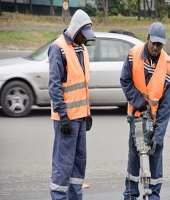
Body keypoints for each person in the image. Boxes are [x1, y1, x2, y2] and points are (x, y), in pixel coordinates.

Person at [120, 22, 170, 200]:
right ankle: (130, 196)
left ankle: (152, 197)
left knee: (155, 168)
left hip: (156, 124)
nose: (156, 48)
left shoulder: (167, 67)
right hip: (137, 121)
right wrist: (139, 103)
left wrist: (158, 137)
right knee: (134, 164)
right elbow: (125, 81)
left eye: (160, 45)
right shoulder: (133, 55)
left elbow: (165, 107)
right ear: (148, 38)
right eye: (154, 43)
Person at [48, 9, 94, 200]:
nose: (87, 39)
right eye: (85, 35)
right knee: (63, 165)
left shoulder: (82, 48)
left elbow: (82, 85)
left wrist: (87, 113)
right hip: (66, 119)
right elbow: (54, 85)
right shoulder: (58, 48)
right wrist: (63, 115)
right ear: (76, 30)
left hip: (80, 118)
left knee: (78, 165)